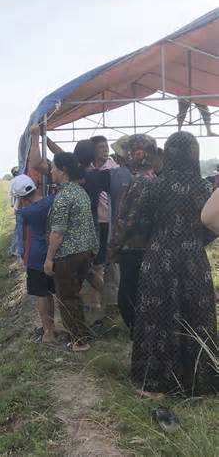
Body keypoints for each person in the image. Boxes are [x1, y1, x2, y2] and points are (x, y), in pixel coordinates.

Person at [130, 131, 217, 397]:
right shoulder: (204, 188)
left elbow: (139, 224)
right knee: (196, 316)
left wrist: (158, 239)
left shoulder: (153, 185)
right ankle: (199, 383)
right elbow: (212, 226)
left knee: (156, 317)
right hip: (193, 259)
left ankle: (154, 382)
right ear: (195, 154)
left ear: (166, 154)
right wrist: (193, 241)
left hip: (158, 257)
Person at [44, 152, 99, 351]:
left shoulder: (63, 197)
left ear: (63, 170)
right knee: (74, 297)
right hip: (84, 252)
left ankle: (79, 341)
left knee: (67, 299)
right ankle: (82, 334)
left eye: (53, 168)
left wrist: (49, 259)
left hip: (67, 257)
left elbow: (57, 233)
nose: (51, 171)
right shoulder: (80, 192)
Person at [108, 134, 159, 336]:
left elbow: (126, 221)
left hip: (132, 248)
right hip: (151, 246)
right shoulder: (155, 178)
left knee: (127, 295)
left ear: (136, 154)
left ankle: (136, 333)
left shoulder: (139, 182)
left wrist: (113, 246)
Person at [12, 174, 56, 343]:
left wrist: (23, 257)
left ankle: (47, 332)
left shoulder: (25, 212)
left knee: (41, 295)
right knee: (50, 293)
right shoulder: (52, 201)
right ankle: (52, 327)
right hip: (54, 253)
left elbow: (21, 239)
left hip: (36, 257)